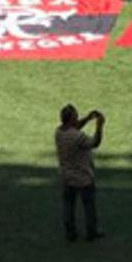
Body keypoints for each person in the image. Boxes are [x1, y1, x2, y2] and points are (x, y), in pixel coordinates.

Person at [55, 104, 105, 242]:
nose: (77, 119)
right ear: (71, 119)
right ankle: (91, 232)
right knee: (89, 207)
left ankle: (70, 233)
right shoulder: (78, 137)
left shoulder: (59, 132)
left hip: (66, 176)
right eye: (76, 116)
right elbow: (95, 143)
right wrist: (99, 126)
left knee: (68, 207)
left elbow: (74, 127)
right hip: (83, 177)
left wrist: (88, 118)